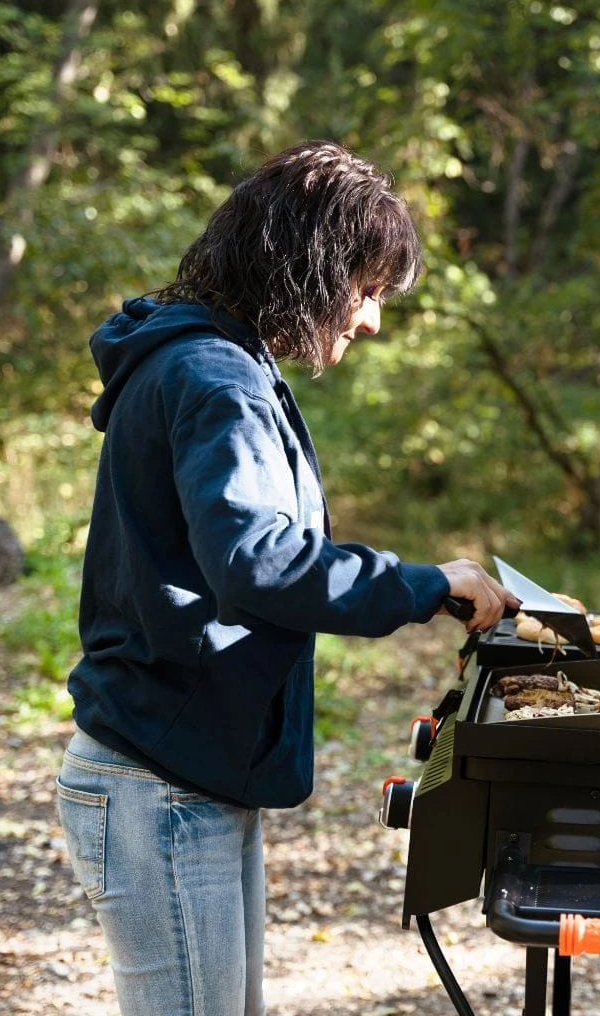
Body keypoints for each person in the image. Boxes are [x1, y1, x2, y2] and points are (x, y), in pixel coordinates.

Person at [55, 140, 520, 1016]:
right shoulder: (212, 376)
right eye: (370, 290)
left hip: (192, 774)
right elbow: (259, 563)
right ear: (310, 266)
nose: (372, 318)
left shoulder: (222, 364)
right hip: (157, 785)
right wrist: (426, 584)